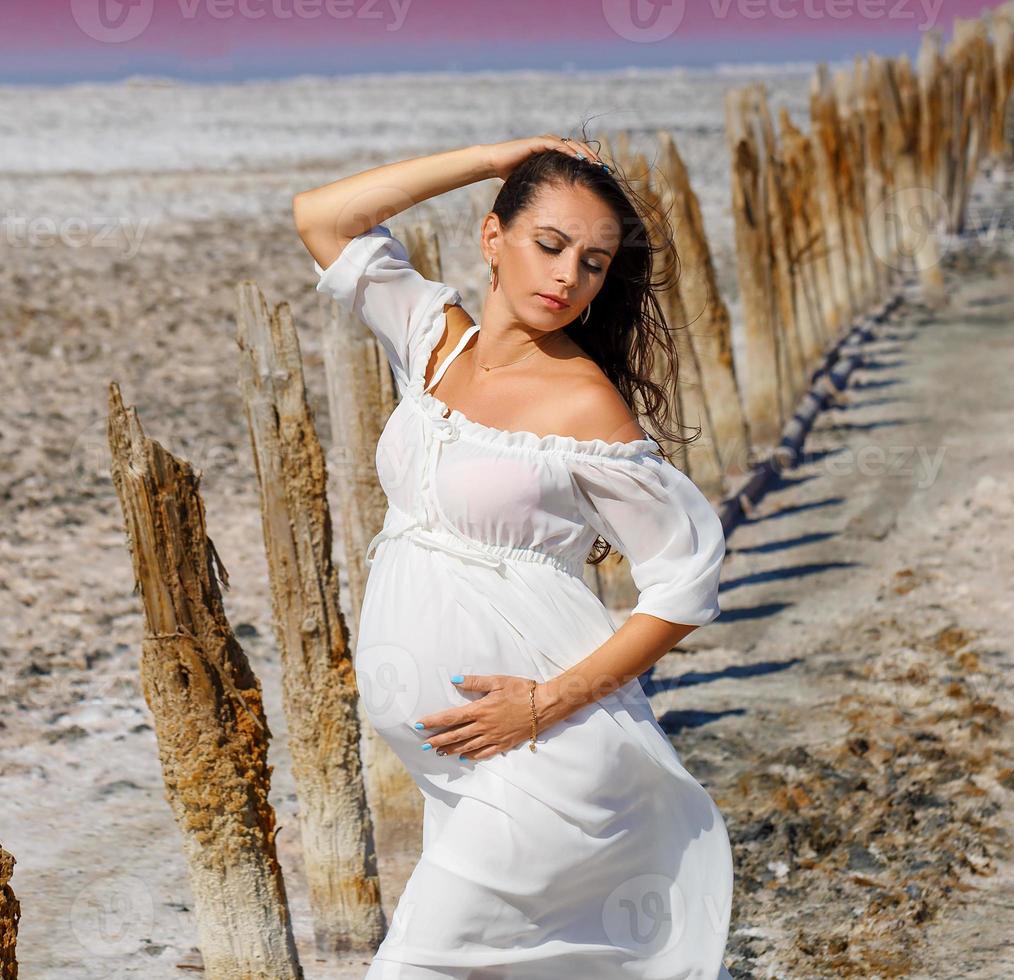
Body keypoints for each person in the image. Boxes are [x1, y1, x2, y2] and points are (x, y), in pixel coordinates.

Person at [293, 134, 733, 980]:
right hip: (456, 771)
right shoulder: (434, 340)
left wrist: (543, 703)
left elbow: (685, 583)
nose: (569, 277)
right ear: (492, 238)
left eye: (595, 263)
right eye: (550, 244)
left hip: (544, 760)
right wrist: (494, 156)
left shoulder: (585, 404)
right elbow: (323, 216)